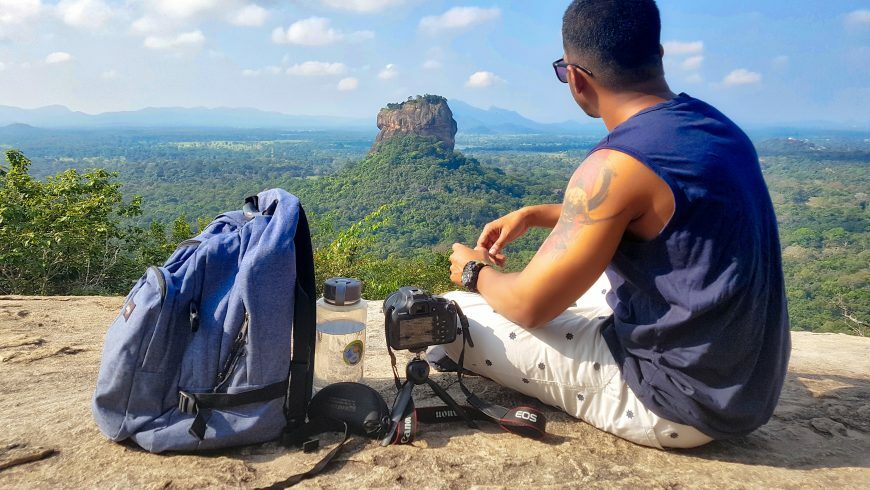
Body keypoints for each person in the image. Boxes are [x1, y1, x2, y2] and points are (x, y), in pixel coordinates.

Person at [438, 0, 790, 449]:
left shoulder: (614, 165)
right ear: (658, 55)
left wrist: (474, 271)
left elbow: (529, 306)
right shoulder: (716, 127)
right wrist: (536, 214)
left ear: (577, 77)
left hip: (674, 402)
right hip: (743, 384)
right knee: (581, 286)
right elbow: (659, 215)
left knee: (444, 317)